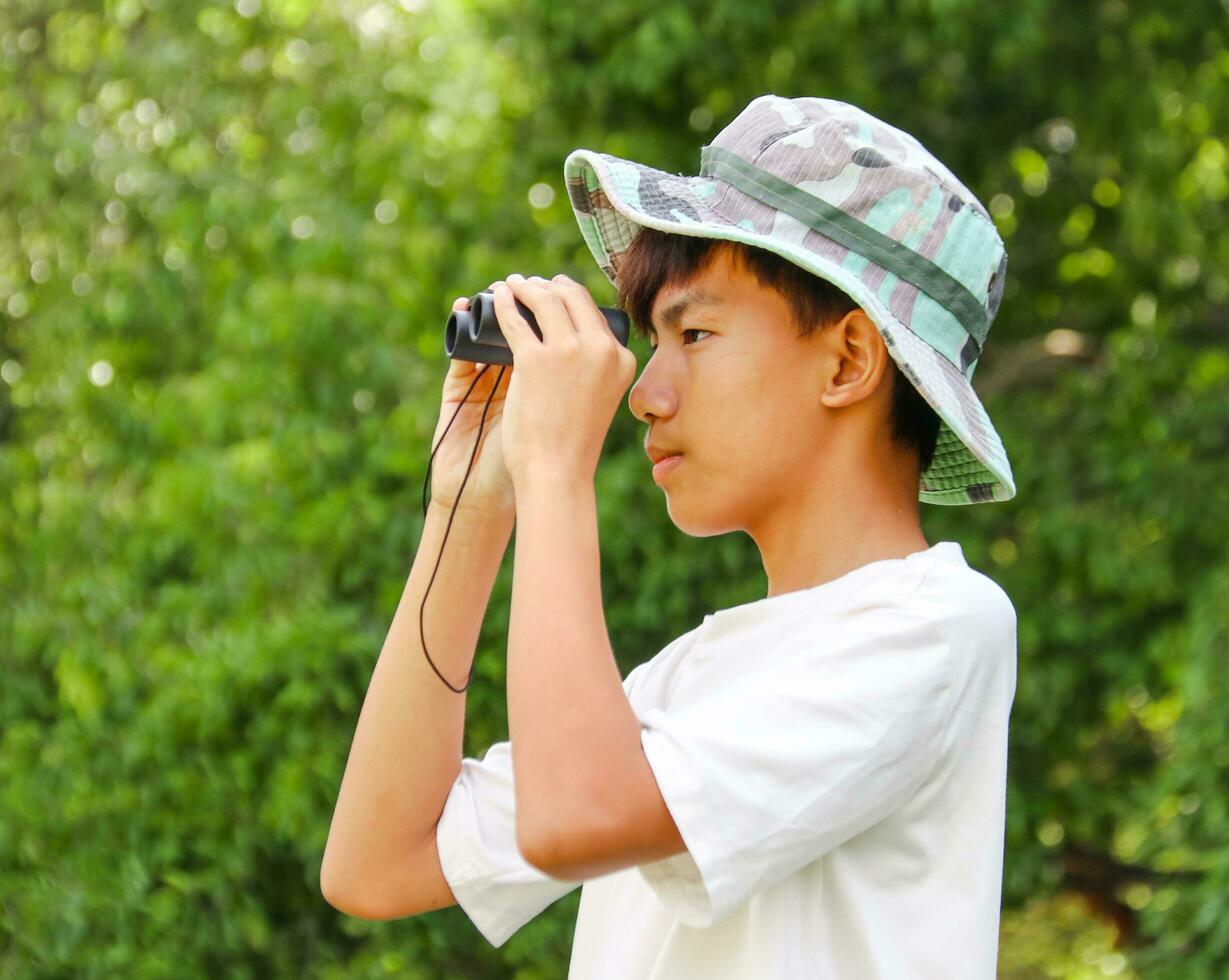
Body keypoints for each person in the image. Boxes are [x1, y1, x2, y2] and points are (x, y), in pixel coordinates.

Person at [321, 94, 1019, 978]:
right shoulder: (687, 683)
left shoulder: (939, 627)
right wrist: (469, 504)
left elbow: (576, 816)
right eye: (651, 341)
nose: (646, 394)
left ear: (847, 361)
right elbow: (377, 864)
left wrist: (554, 473)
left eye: (694, 332)